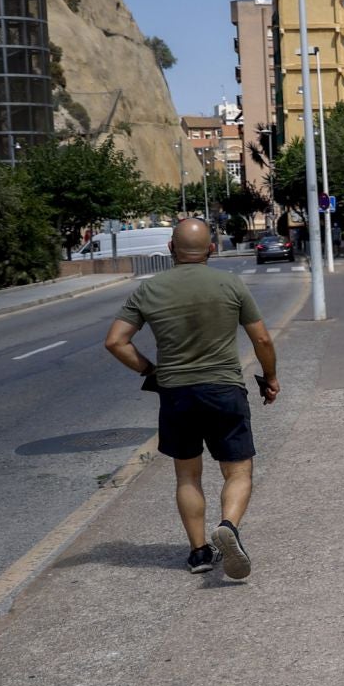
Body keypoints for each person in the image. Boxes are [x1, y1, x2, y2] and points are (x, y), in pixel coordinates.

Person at [103, 217, 279, 578]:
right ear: (211, 250)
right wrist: (271, 378)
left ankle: (199, 553)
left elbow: (116, 341)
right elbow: (262, 340)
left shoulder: (149, 290)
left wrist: (150, 371)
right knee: (238, 470)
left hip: (176, 394)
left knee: (187, 475)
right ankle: (228, 527)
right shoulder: (230, 284)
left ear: (171, 249)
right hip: (224, 390)